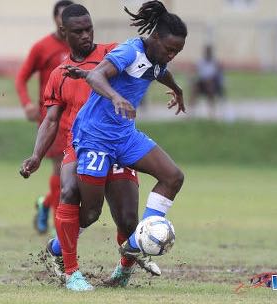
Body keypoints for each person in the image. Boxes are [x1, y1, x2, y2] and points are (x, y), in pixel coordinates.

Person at [20, 4, 156, 291]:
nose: (86, 35)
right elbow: (51, 119)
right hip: (79, 146)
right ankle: (72, 272)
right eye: (78, 31)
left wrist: (170, 82)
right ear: (63, 32)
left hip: (117, 143)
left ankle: (120, 270)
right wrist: (36, 155)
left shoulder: (112, 54)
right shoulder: (59, 74)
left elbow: (147, 58)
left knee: (128, 219)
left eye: (89, 29)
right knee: (74, 198)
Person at [62, 0, 187, 284]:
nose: (172, 56)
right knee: (91, 213)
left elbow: (159, 72)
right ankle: (59, 249)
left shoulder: (158, 59)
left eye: (177, 52)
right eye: (170, 49)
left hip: (125, 136)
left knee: (173, 177)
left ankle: (135, 243)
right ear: (155, 38)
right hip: (95, 137)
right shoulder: (130, 51)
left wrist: (176, 89)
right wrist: (116, 97)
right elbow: (96, 75)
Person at [15, 0, 74, 234]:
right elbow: (21, 77)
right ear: (56, 19)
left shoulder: (80, 45)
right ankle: (58, 216)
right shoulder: (42, 47)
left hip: (79, 116)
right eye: (63, 18)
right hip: (53, 118)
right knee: (61, 168)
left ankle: (46, 204)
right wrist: (27, 104)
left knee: (75, 171)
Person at [188, 44, 225, 118]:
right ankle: (190, 112)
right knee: (195, 87)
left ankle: (212, 113)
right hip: (202, 82)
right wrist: (191, 79)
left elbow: (219, 76)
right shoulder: (200, 62)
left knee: (209, 84)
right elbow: (194, 72)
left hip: (213, 83)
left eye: (209, 51)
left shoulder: (215, 63)